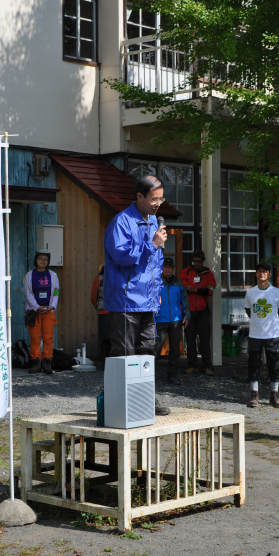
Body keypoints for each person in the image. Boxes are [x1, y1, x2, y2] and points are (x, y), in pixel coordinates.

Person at [103, 174, 170, 416]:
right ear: (139, 196)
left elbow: (157, 264)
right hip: (126, 300)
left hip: (148, 301)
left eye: (161, 199)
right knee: (124, 353)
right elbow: (122, 256)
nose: (158, 204)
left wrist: (158, 291)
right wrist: (152, 244)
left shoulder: (154, 223)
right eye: (154, 199)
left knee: (147, 351)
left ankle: (145, 399)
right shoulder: (121, 222)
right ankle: (119, 400)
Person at [244, 263, 279, 408]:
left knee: (274, 364)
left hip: (272, 334)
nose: (262, 273)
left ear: (269, 274)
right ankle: (254, 394)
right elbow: (248, 310)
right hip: (255, 334)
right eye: (259, 271)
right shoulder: (250, 293)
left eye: (265, 271)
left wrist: (275, 324)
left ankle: (274, 395)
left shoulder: (276, 292)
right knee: (253, 363)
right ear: (256, 274)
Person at [155, 257, 191, 385]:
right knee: (156, 348)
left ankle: (172, 375)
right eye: (165, 267)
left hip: (176, 320)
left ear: (173, 268)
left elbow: (185, 300)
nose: (167, 269)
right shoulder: (157, 281)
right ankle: (151, 376)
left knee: (175, 349)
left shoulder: (178, 283)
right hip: (160, 319)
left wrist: (187, 316)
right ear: (161, 268)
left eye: (170, 267)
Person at [180, 250, 216, 376]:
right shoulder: (186, 272)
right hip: (189, 311)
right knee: (190, 339)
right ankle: (192, 365)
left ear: (203, 261)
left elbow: (210, 290)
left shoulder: (209, 274)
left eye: (199, 261)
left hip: (203, 310)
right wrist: (194, 289)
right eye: (194, 261)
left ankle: (207, 366)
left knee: (205, 339)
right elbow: (182, 287)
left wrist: (194, 289)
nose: (196, 263)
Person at [23, 251, 59, 374]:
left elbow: (56, 292)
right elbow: (28, 293)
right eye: (40, 258)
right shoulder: (29, 275)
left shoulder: (53, 275)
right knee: (35, 338)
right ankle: (35, 362)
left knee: (48, 338)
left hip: (49, 311)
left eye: (45, 259)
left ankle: (47, 362)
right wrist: (37, 307)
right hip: (34, 312)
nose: (43, 261)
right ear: (36, 260)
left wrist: (52, 305)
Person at [91, 264, 111, 367]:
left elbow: (93, 299)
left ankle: (105, 362)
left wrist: (99, 307)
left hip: (104, 313)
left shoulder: (98, 279)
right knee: (113, 339)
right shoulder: (118, 278)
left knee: (105, 339)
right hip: (117, 313)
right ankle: (112, 361)